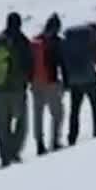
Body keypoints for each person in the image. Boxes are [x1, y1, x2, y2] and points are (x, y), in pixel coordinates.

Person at [0, 12, 33, 167]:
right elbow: (29, 63)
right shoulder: (22, 40)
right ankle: (14, 151)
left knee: (2, 125)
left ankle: (4, 156)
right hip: (17, 88)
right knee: (22, 122)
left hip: (0, 88)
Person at [60, 18, 96, 143]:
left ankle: (72, 136)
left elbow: (63, 62)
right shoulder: (90, 40)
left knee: (75, 109)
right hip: (89, 78)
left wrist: (66, 81)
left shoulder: (68, 42)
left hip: (74, 79)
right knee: (95, 106)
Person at [30, 14, 66, 154]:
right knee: (57, 113)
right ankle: (55, 140)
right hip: (51, 82)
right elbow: (61, 63)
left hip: (36, 83)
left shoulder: (35, 41)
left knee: (38, 114)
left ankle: (40, 143)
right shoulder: (56, 42)